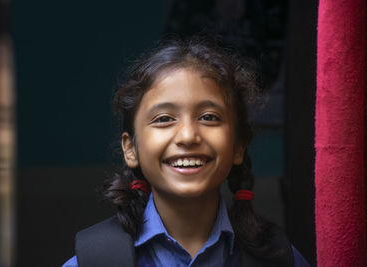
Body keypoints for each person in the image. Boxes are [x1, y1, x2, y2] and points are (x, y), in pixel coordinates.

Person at [62, 36, 310, 267]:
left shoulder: (278, 257)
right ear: (130, 148)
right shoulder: (94, 260)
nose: (188, 136)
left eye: (209, 117)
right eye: (163, 119)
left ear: (238, 146)